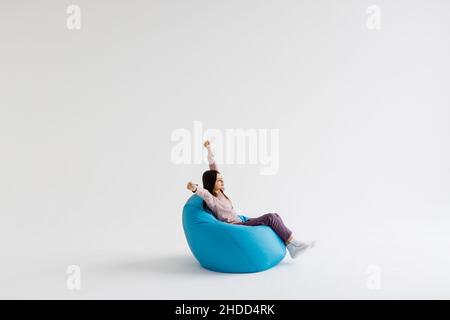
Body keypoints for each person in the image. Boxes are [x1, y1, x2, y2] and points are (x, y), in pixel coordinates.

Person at [186, 140, 315, 259]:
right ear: (211, 183)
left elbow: (214, 168)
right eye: (219, 180)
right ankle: (295, 243)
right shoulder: (212, 199)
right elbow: (204, 193)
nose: (222, 181)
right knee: (271, 218)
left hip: (240, 221)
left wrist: (209, 150)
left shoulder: (220, 192)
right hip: (236, 226)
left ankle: (291, 246)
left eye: (222, 179)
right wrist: (194, 188)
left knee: (276, 216)